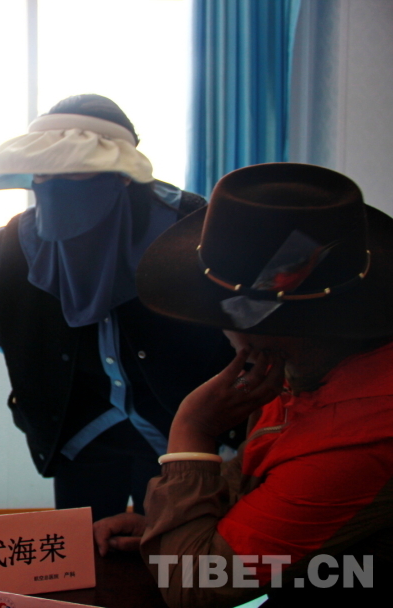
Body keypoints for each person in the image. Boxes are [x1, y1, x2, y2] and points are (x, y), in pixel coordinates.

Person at [94, 162, 393, 605]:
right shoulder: (304, 370)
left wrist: (192, 429)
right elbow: (258, 487)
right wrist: (168, 529)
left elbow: (193, 586)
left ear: (254, 329)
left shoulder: (362, 428)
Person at [0, 94, 236, 518]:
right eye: (44, 172)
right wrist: (23, 343)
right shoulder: (24, 238)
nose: (55, 187)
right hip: (82, 430)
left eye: (75, 171)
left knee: (173, 545)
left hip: (177, 426)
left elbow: (237, 313)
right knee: (84, 548)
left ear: (122, 175)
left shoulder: (188, 226)